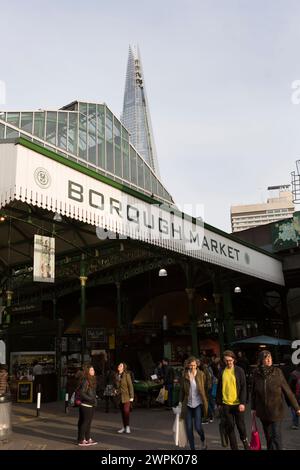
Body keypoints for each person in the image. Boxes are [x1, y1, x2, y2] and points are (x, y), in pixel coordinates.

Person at [251, 350, 300, 450]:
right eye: (266, 358)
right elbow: (253, 393)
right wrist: (253, 408)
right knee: (269, 438)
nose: (269, 359)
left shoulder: (277, 372)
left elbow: (288, 390)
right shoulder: (256, 373)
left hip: (276, 411)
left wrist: (296, 407)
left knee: (276, 437)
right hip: (263, 412)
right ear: (261, 360)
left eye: (270, 357)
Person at [216, 350, 249, 450]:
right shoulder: (222, 371)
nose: (228, 362)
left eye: (230, 360)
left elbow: (244, 387)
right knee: (230, 427)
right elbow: (219, 388)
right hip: (226, 404)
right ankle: (234, 448)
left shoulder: (239, 370)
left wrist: (243, 403)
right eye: (226, 360)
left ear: (234, 359)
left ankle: (245, 442)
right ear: (223, 361)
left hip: (238, 404)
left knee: (241, 426)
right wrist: (219, 403)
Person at [179, 356, 208, 450]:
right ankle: (192, 448)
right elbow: (181, 390)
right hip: (188, 404)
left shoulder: (201, 374)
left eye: (194, 365)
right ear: (188, 365)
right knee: (189, 428)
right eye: (191, 365)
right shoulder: (184, 375)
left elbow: (206, 387)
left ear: (197, 365)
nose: (192, 367)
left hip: (198, 404)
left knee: (198, 427)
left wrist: (205, 399)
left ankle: (203, 439)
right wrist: (180, 402)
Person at [77, 364, 98, 446]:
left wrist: (94, 398)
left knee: (88, 423)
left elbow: (91, 392)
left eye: (93, 370)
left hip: (90, 404)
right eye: (91, 370)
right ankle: (81, 440)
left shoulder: (92, 379)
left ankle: (88, 438)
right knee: (85, 422)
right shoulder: (86, 380)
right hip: (86, 405)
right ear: (88, 372)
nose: (93, 371)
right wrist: (91, 399)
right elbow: (82, 393)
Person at [115, 362, 134, 434]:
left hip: (126, 397)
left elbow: (130, 386)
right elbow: (116, 386)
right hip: (119, 397)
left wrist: (131, 396)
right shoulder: (116, 375)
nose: (119, 366)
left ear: (123, 367)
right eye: (119, 365)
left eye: (121, 365)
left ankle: (128, 427)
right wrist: (115, 390)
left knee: (126, 412)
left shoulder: (126, 375)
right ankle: (124, 427)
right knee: (122, 413)